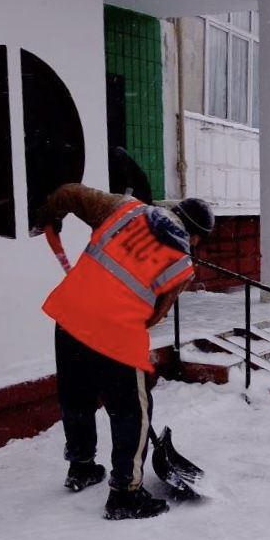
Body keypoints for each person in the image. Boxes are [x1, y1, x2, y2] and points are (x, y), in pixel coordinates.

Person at [38, 184, 214, 519]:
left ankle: (82, 466)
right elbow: (154, 315)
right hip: (116, 331)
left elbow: (70, 193)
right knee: (132, 411)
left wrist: (51, 215)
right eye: (199, 240)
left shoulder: (123, 208)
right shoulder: (182, 266)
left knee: (77, 397)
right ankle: (125, 494)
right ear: (194, 236)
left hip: (70, 315)